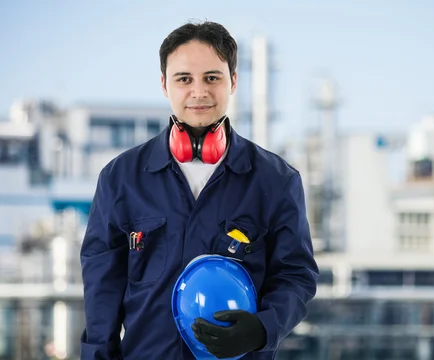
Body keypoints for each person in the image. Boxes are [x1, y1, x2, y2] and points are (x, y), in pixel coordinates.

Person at [80, 20, 319, 359]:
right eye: (183, 79)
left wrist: (263, 328)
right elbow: (101, 287)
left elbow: (297, 275)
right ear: (164, 85)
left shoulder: (276, 180)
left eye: (212, 77)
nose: (199, 91)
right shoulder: (121, 178)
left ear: (233, 81)